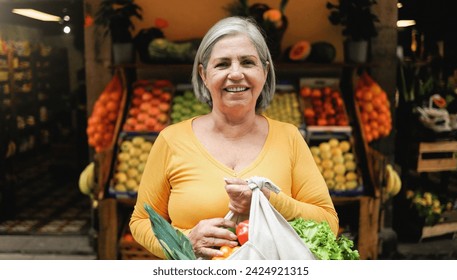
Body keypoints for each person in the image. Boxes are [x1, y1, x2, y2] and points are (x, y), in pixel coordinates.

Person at [129, 16, 339, 260]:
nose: (236, 74)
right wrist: (184, 241)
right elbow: (141, 221)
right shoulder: (171, 140)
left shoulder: (289, 138)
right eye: (222, 64)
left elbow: (328, 223)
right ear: (204, 74)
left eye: (248, 62)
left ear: (265, 71)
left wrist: (268, 202)